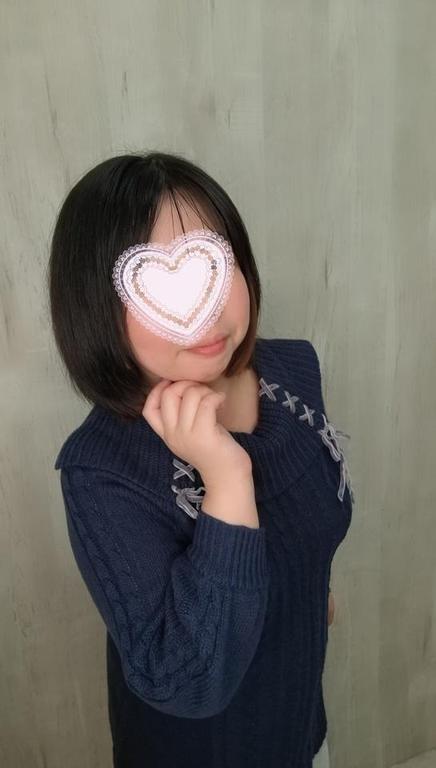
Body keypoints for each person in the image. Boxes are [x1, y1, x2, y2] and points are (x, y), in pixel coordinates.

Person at [48, 150, 354, 767]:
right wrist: (226, 476)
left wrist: (308, 583)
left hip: (301, 730)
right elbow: (189, 682)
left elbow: (309, 518)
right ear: (96, 307)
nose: (203, 310)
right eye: (153, 286)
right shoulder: (101, 471)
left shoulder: (294, 368)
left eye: (214, 264)